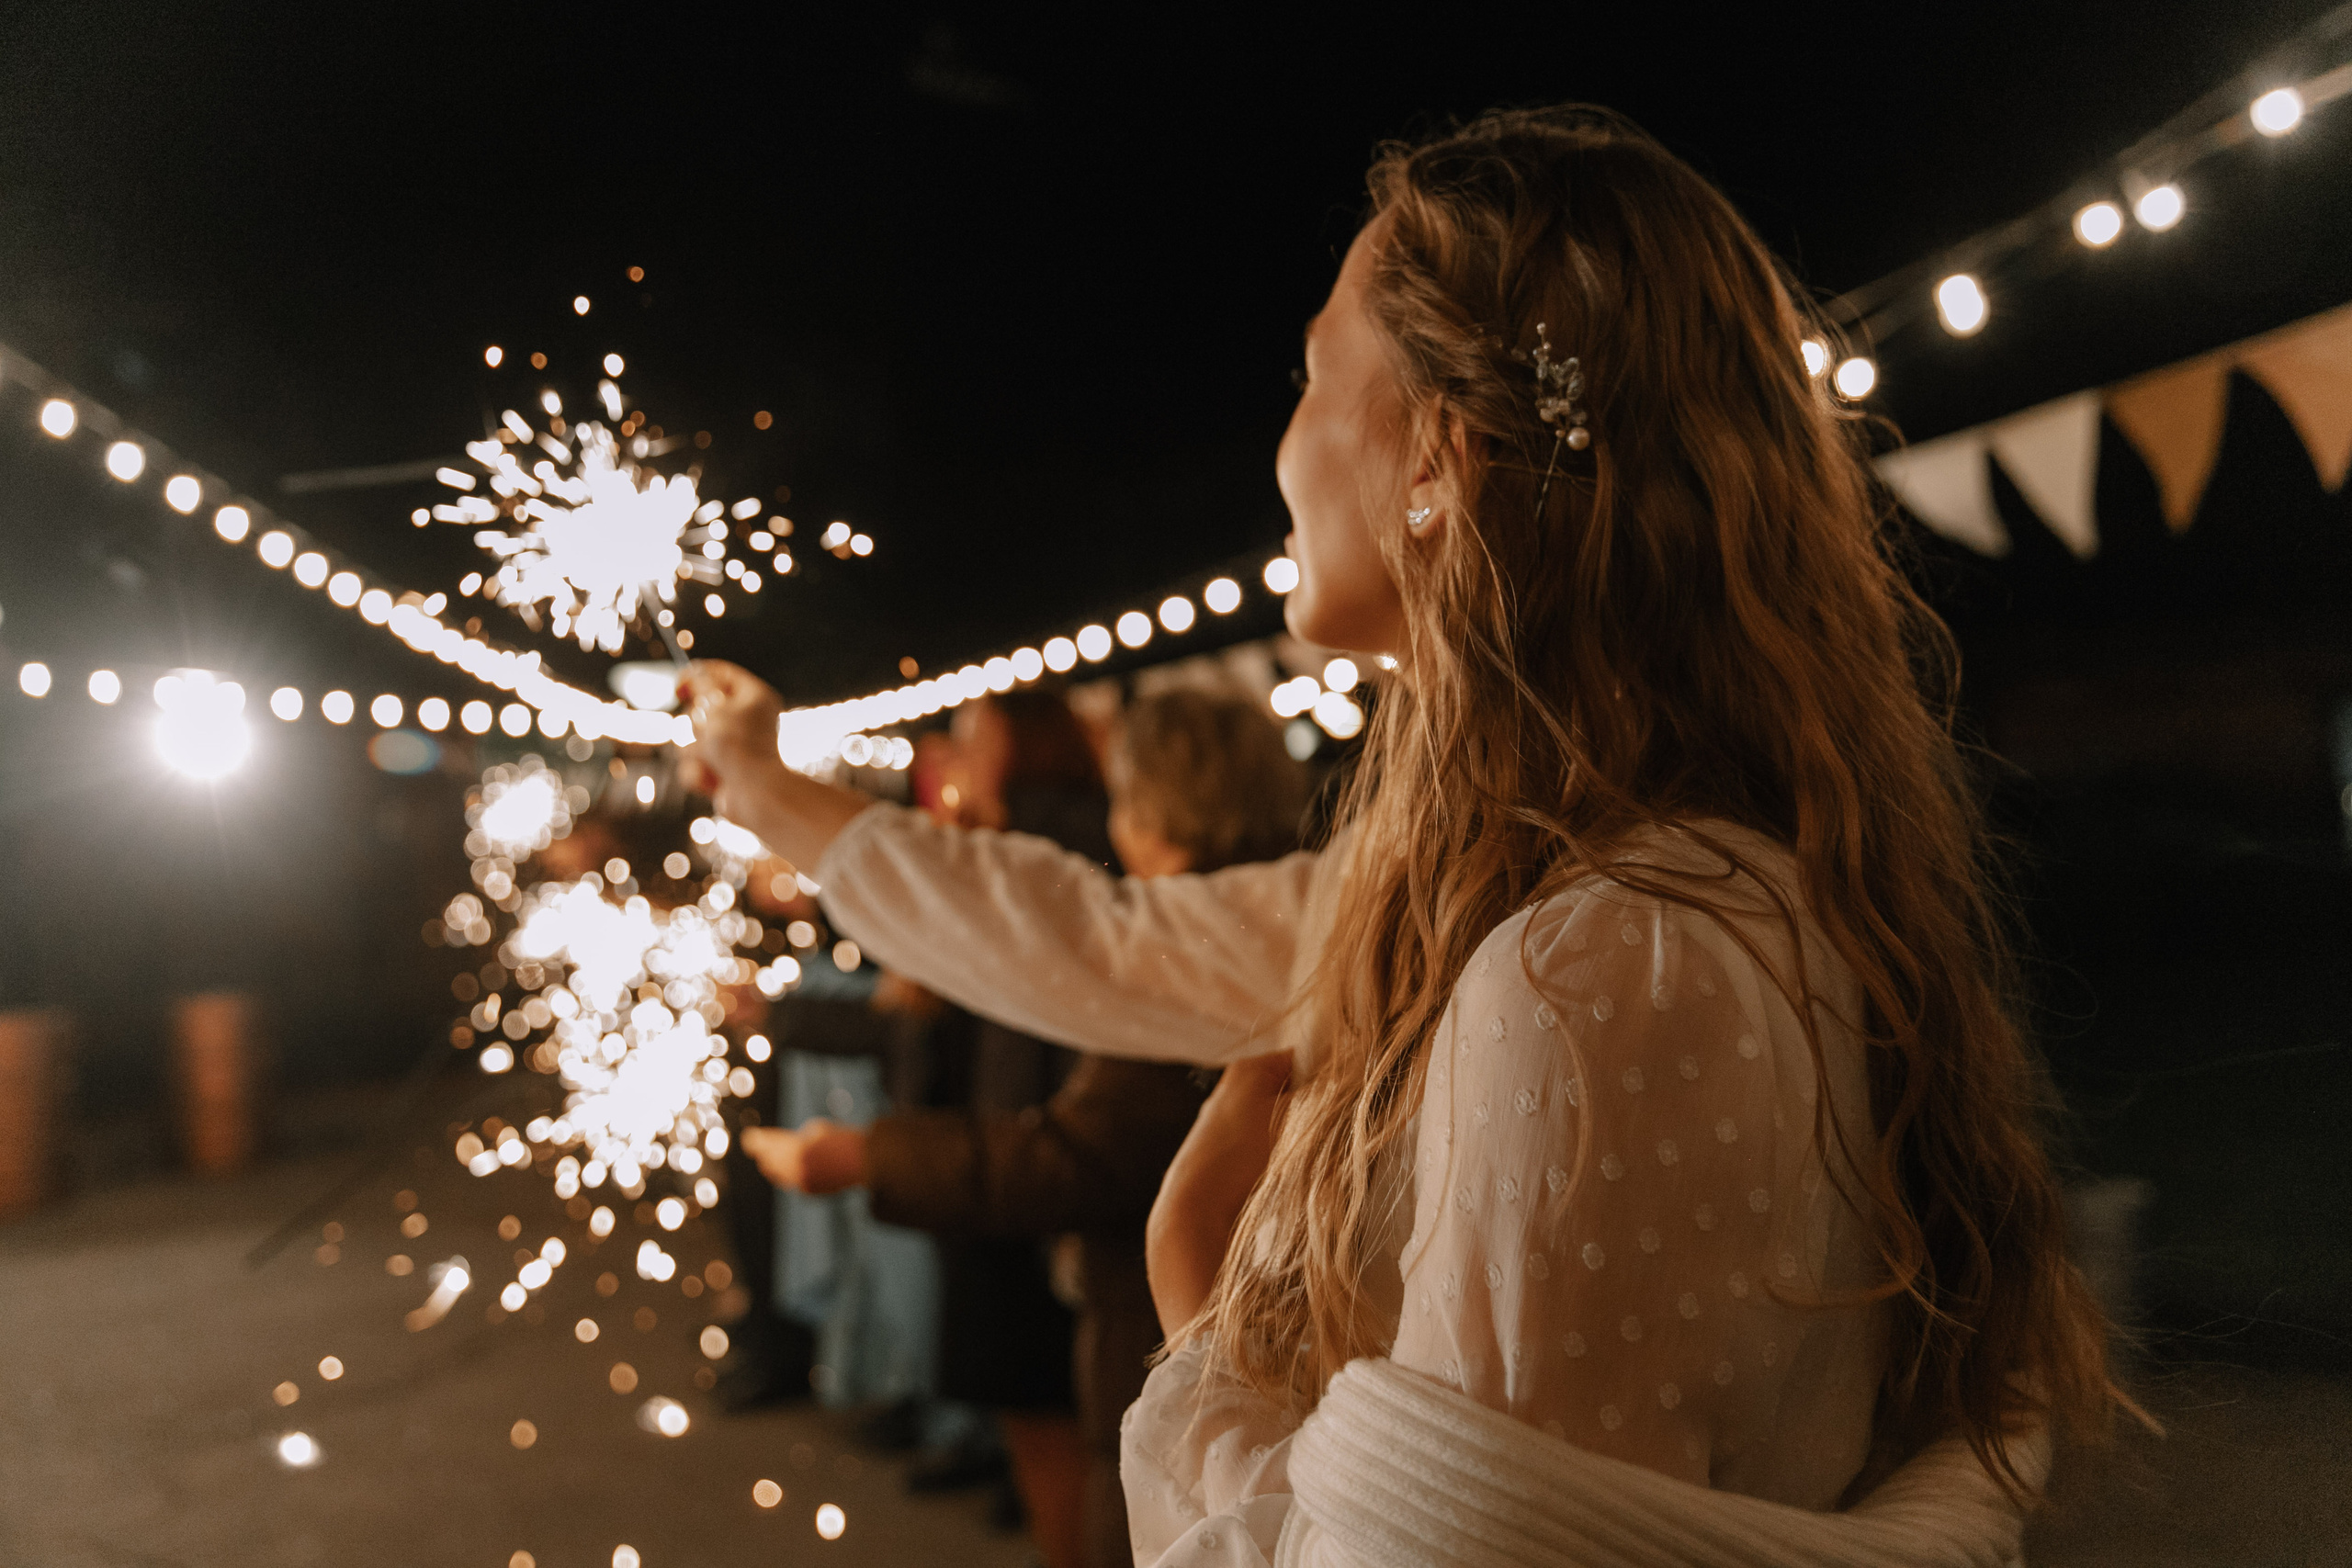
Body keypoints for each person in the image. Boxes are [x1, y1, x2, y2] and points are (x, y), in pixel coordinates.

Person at [683, 106, 2133, 1568]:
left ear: (1441, 448)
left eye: (1312, 375)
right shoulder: (1510, 895)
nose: (1283, 448)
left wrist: (1210, 1325)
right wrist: (768, 781)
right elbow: (1095, 938)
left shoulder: (1593, 970)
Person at [745, 688, 1309, 1568]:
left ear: (1155, 807)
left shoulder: (1198, 943)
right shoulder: (1282, 908)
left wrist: (869, 1155)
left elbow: (1086, 1150)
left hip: (1172, 1331)